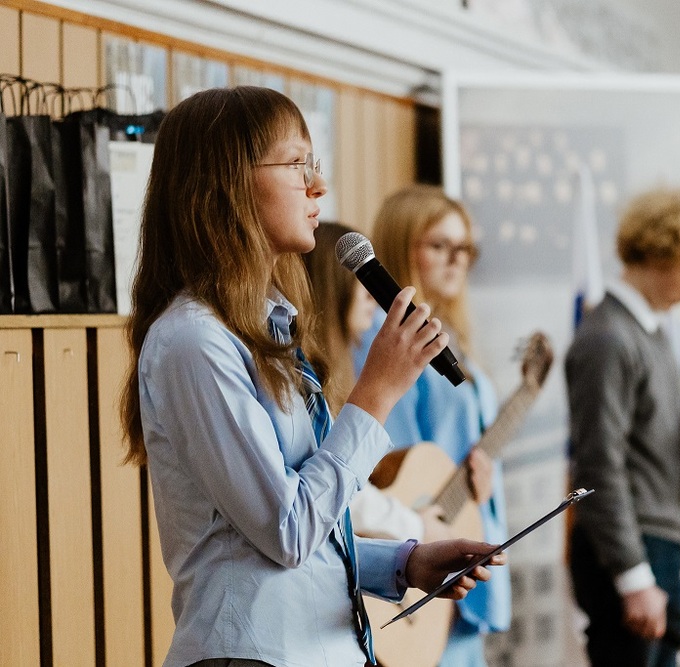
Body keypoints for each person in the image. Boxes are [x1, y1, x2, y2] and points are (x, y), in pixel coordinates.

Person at [119, 86, 504, 667]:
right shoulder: (193, 341)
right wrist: (377, 392)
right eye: (298, 164)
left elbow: (301, 534)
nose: (318, 186)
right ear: (227, 184)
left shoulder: (267, 332)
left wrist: (404, 563)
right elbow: (286, 531)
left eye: (315, 165)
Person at [564, 186, 680, 667]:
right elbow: (599, 465)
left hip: (656, 541)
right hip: (629, 548)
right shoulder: (609, 338)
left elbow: (646, 444)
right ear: (659, 252)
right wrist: (633, 576)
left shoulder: (650, 333)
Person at [355, 184, 511, 666]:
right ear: (404, 246)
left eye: (465, 248)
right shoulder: (385, 346)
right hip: (417, 550)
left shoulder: (456, 344)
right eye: (440, 245)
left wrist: (478, 484)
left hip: (463, 533)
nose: (456, 260)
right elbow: (391, 466)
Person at [304, 221, 450, 543]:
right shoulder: (306, 379)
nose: (372, 296)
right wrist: (414, 526)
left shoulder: (340, 370)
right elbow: (336, 491)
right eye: (358, 276)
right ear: (333, 286)